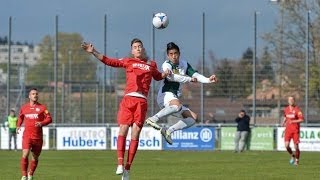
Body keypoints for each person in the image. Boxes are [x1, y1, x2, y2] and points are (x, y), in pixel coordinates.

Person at [81, 38, 169, 180]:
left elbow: (158, 77)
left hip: (141, 102)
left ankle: (127, 168)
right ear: (132, 50)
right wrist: (93, 52)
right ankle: (120, 163)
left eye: (140, 46)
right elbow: (109, 61)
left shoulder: (151, 64)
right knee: (123, 129)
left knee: (135, 134)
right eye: (135, 47)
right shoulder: (128, 61)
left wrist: (165, 74)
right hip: (128, 100)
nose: (138, 48)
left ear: (143, 48)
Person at [145, 42, 217, 145]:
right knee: (176, 105)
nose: (174, 56)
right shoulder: (166, 65)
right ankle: (153, 119)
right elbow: (172, 77)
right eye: (171, 54)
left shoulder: (184, 64)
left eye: (175, 53)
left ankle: (169, 131)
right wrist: (189, 79)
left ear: (179, 53)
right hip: (165, 95)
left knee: (192, 118)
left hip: (174, 97)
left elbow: (196, 75)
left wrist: (208, 79)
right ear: (167, 55)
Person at [17, 88, 52, 180]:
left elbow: (49, 119)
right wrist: (18, 126)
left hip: (37, 137)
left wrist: (41, 123)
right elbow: (20, 117)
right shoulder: (24, 107)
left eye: (36, 94)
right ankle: (24, 175)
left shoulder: (42, 108)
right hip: (27, 136)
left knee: (35, 157)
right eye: (33, 94)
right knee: (25, 154)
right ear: (29, 96)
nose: (35, 95)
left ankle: (30, 174)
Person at [282, 96, 304, 166]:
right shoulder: (286, 109)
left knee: (296, 147)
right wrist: (283, 122)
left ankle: (297, 161)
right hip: (288, 130)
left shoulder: (297, 110)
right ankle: (292, 155)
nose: (291, 101)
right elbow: (285, 116)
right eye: (289, 100)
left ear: (294, 101)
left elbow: (302, 119)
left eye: (292, 99)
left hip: (295, 131)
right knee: (286, 146)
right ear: (288, 101)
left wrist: (294, 121)